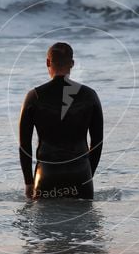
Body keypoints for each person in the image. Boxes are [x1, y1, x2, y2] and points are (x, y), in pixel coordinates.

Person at [19, 42, 103, 200]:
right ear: (72, 64)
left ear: (48, 63)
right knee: (84, 224)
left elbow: (24, 145)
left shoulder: (34, 96)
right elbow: (97, 141)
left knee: (44, 223)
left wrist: (29, 182)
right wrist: (87, 175)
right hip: (81, 174)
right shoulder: (90, 95)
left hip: (46, 176)